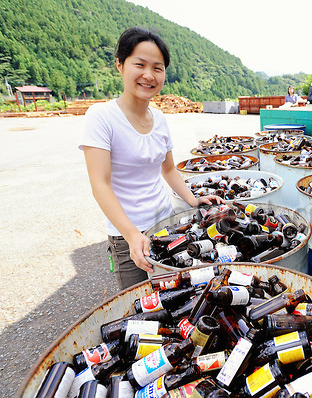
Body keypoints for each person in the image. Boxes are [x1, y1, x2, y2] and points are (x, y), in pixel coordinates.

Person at [80, 27, 224, 290]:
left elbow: (168, 170)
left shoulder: (159, 119)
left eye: (157, 68)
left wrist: (193, 200)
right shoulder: (101, 117)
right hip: (127, 236)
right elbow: (100, 184)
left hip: (167, 226)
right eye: (140, 64)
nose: (148, 75)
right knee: (142, 307)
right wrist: (132, 234)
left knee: (176, 296)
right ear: (120, 65)